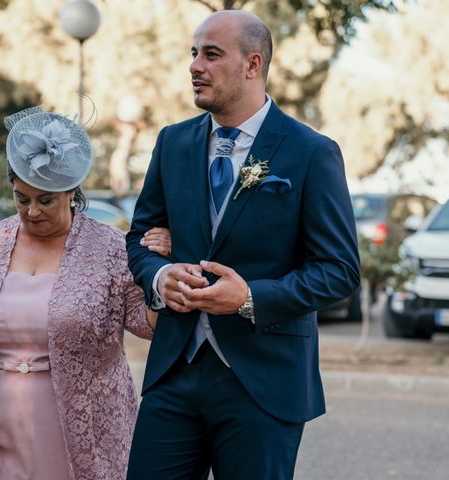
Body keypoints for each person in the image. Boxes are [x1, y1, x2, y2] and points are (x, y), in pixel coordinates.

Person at [126, 10, 360, 480]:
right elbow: (140, 238)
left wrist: (250, 297)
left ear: (253, 65)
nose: (195, 65)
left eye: (212, 54)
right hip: (176, 370)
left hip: (264, 378)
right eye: (194, 53)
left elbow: (339, 270)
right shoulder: (172, 142)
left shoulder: (309, 151)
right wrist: (159, 275)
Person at [0, 106, 171, 480]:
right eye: (22, 198)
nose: (32, 211)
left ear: (71, 192)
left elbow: (146, 324)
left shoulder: (112, 249)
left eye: (45, 199)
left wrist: (161, 275)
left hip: (82, 438)